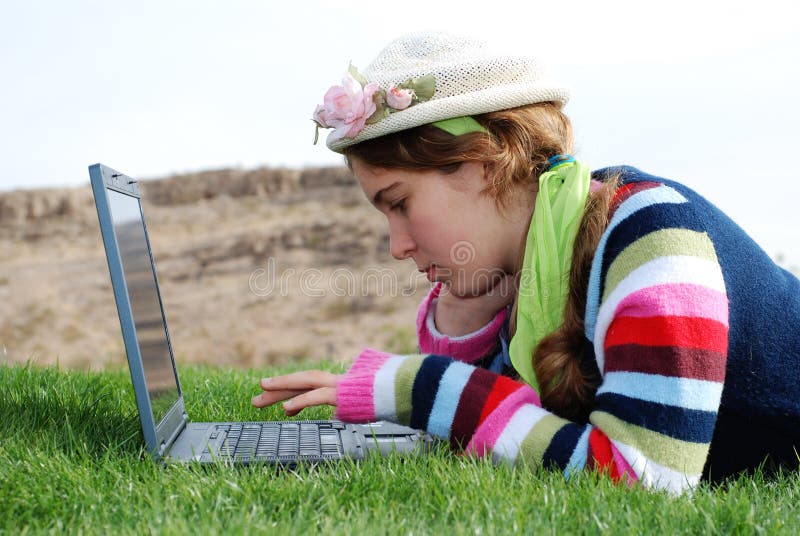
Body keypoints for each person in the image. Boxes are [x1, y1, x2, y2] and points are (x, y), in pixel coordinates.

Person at [251, 31, 800, 493]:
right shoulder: (537, 261)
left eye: (399, 204)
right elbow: (520, 423)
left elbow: (644, 479)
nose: (396, 245)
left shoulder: (654, 240)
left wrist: (415, 387)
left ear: (482, 164)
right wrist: (466, 312)